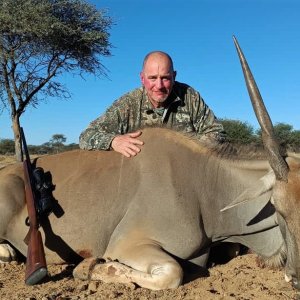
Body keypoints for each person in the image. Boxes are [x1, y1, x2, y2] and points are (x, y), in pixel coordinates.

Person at [79, 51, 226, 157]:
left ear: (174, 76)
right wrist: (113, 141)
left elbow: (217, 134)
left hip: (186, 170)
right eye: (152, 78)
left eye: (165, 78)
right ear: (142, 78)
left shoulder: (189, 95)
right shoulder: (128, 103)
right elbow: (86, 136)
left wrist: (182, 146)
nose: (159, 85)